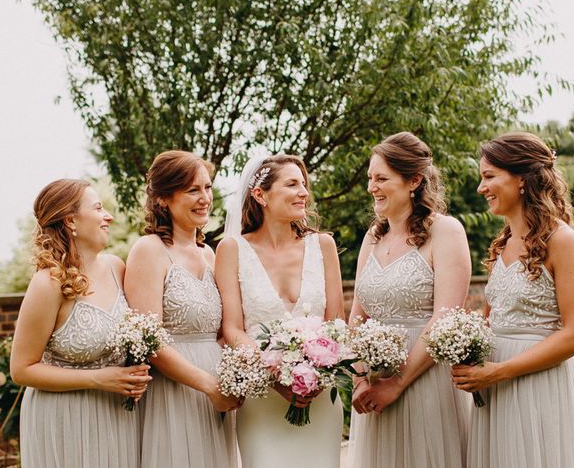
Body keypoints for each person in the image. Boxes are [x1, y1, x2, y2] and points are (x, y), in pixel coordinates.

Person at [451, 132, 574, 467]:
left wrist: (501, 371)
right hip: (495, 391)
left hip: (539, 387)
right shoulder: (502, 243)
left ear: (521, 179)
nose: (481, 188)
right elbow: (492, 320)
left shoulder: (563, 241)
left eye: (489, 176)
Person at [348, 132, 472, 467]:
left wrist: (397, 382)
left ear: (413, 180)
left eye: (382, 178)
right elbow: (357, 316)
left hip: (425, 380)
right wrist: (360, 378)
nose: (372, 187)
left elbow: (446, 317)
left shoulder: (445, 231)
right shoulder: (372, 238)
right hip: (375, 385)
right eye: (370, 179)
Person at [215, 154, 345, 468]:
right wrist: (276, 376)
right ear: (260, 195)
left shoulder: (323, 245)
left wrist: (313, 375)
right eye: (292, 184)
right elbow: (231, 329)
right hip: (261, 398)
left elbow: (336, 322)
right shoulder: (232, 250)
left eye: (304, 184)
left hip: (318, 398)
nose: (304, 192)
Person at [11, 179, 150, 468]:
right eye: (98, 208)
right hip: (65, 418)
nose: (108, 216)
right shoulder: (48, 284)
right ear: (71, 220)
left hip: (117, 416)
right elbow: (21, 369)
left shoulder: (116, 267)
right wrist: (99, 379)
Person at [125, 150, 239, 468]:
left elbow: (222, 333)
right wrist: (208, 385)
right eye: (192, 190)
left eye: (207, 187)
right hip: (175, 391)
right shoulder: (149, 251)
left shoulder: (210, 255)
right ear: (163, 199)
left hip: (217, 390)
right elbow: (150, 341)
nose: (204, 198)